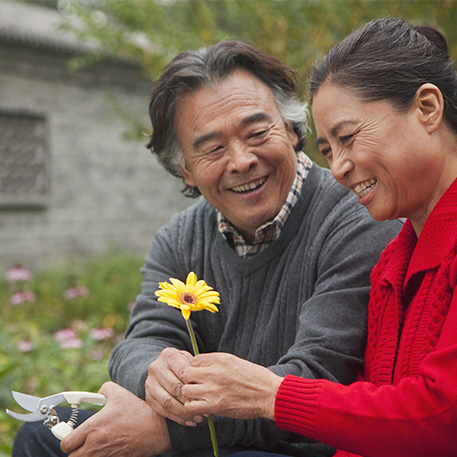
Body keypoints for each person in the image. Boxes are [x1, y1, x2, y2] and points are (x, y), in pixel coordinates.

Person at [12, 41, 400, 457]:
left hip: (298, 443)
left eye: (256, 133)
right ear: (187, 171)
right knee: (44, 438)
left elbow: (318, 373)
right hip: (204, 428)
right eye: (212, 148)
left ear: (290, 129)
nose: (241, 160)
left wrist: (168, 433)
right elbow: (143, 340)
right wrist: (153, 378)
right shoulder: (180, 238)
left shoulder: (354, 219)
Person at [177, 17, 457, 457]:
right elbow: (369, 422)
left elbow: (441, 418)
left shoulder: (361, 231)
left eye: (348, 138)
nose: (340, 167)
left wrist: (270, 394)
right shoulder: (393, 265)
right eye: (328, 150)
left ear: (426, 108)